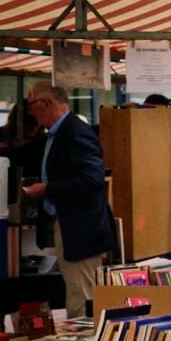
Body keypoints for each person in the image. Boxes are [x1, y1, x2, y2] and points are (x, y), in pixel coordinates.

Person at [22, 83, 115, 317]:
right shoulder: (54, 135)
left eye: (31, 105)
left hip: (82, 227)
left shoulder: (76, 132)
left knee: (81, 293)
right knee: (75, 287)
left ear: (47, 104)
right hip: (68, 222)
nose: (30, 112)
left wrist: (47, 189)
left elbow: (93, 179)